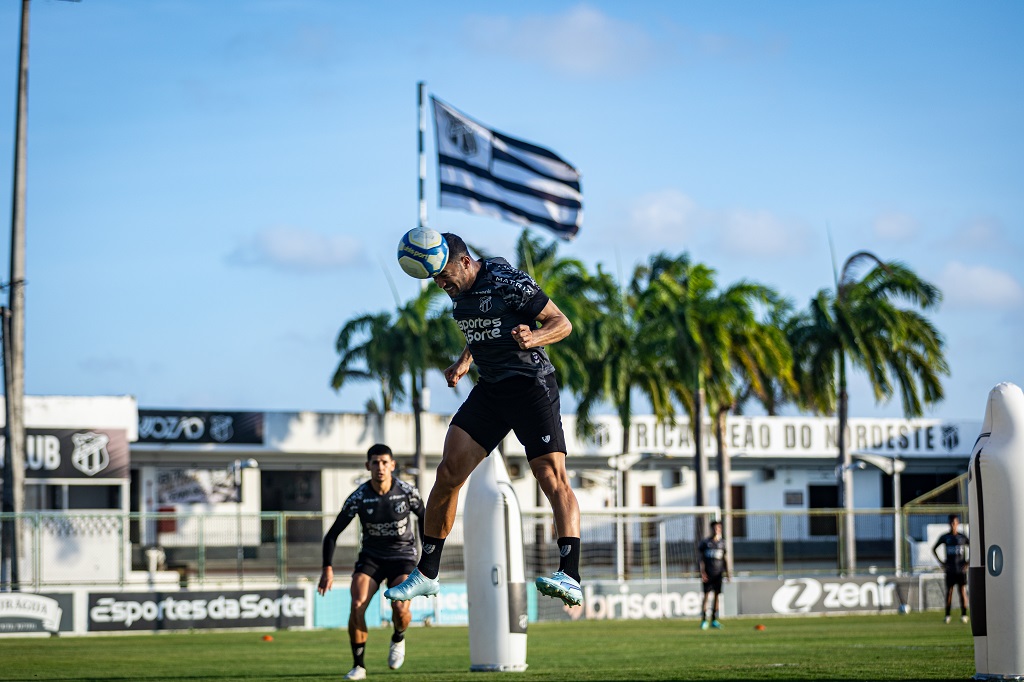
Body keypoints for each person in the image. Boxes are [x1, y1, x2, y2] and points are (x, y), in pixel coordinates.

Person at [384, 232, 583, 607]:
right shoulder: (459, 297)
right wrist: (464, 361)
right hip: (491, 391)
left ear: (464, 262)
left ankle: (570, 575)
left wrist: (535, 337)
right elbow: (483, 327)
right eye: (435, 280)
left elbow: (562, 323)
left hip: (530, 387)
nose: (441, 285)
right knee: (448, 473)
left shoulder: (508, 281)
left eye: (444, 276)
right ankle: (427, 573)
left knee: (551, 477)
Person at [319, 444, 425, 681]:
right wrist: (327, 567)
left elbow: (427, 520)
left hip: (403, 558)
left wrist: (428, 560)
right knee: (357, 605)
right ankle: (359, 666)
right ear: (368, 466)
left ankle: (398, 636)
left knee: (400, 608)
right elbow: (332, 534)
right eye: (375, 463)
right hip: (371, 558)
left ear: (392, 465)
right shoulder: (359, 497)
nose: (380, 467)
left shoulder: (407, 492)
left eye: (385, 462)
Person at [932, 513, 969, 624]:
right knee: (949, 592)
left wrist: (968, 562)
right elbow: (934, 549)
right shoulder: (945, 537)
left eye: (955, 523)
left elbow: (975, 547)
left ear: (958, 523)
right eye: (951, 523)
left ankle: (964, 614)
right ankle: (947, 615)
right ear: (949, 523)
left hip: (960, 570)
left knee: (962, 591)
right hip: (950, 569)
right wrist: (942, 563)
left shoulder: (962, 537)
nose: (953, 525)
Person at [697, 520, 729, 629]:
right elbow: (700, 559)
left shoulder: (722, 543)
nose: (717, 530)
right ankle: (704, 620)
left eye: (718, 528)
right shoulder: (705, 543)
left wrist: (728, 573)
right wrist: (702, 572)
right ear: (711, 529)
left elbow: (725, 558)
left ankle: (714, 620)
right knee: (706, 596)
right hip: (708, 574)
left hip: (718, 574)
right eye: (715, 528)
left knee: (717, 596)